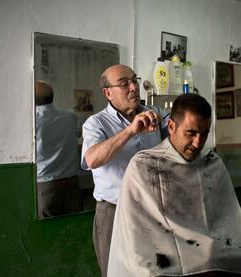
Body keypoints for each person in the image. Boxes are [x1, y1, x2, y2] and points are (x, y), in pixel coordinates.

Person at [108, 94, 241, 277]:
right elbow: (139, 237)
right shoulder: (145, 166)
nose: (198, 143)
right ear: (172, 127)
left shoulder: (211, 162)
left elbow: (227, 222)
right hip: (167, 263)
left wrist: (211, 255)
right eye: (191, 134)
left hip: (215, 254)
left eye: (204, 134)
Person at [81, 64, 169, 277]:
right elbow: (92, 159)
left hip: (154, 208)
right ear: (107, 93)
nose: (133, 87)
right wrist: (130, 131)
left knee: (158, 271)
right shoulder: (96, 123)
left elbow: (178, 132)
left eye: (134, 80)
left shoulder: (154, 113)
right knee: (116, 272)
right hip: (113, 211)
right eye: (124, 84)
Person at [35, 80, 81, 218]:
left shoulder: (33, 121)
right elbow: (78, 134)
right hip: (72, 182)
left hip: (46, 185)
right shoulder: (70, 116)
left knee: (47, 230)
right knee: (74, 225)